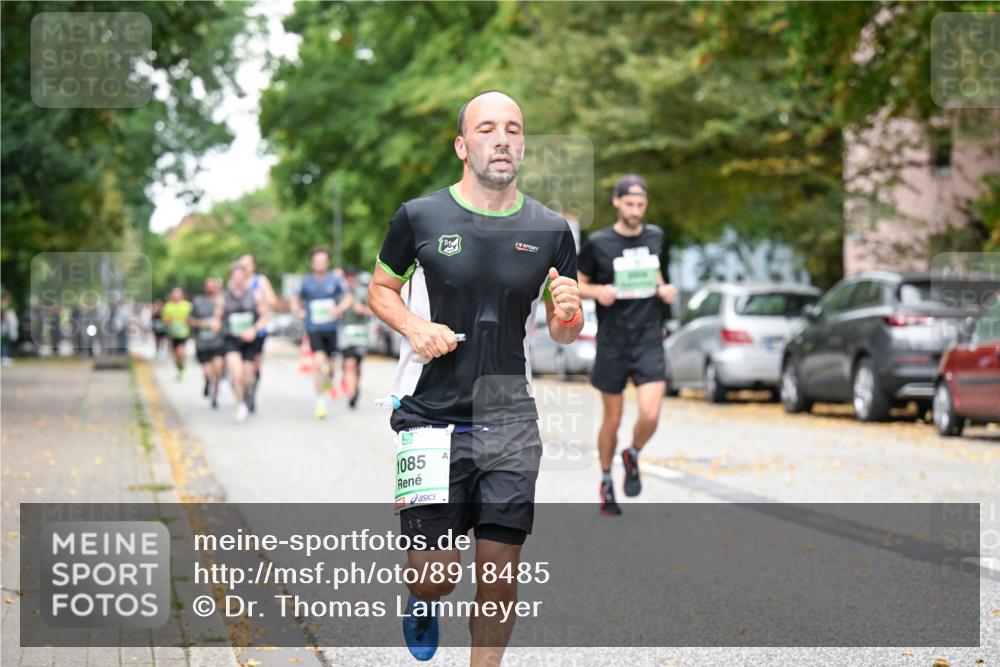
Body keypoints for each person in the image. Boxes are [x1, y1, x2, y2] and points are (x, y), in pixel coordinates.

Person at [368, 90, 582, 665]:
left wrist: (569, 312)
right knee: (436, 576)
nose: (503, 138)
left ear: (524, 144)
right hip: (430, 416)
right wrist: (413, 325)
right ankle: (421, 597)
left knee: (498, 580)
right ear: (464, 145)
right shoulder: (418, 217)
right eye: (487, 128)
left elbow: (563, 332)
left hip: (509, 419)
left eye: (513, 128)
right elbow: (379, 290)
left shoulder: (551, 229)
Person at [577, 175, 677, 516]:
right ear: (617, 202)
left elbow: (655, 272)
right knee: (614, 418)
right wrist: (597, 292)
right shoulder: (599, 242)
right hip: (613, 340)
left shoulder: (656, 236)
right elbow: (577, 283)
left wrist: (666, 289)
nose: (636, 210)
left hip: (649, 336)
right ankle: (606, 481)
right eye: (630, 204)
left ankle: (631, 454)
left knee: (651, 413)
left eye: (641, 204)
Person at [291, 247, 352, 419]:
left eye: (323, 260)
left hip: (331, 328)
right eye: (317, 260)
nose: (320, 263)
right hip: (314, 328)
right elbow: (295, 299)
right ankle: (320, 401)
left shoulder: (335, 279)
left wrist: (339, 308)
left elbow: (348, 297)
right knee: (318, 363)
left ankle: (329, 384)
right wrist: (298, 310)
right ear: (312, 262)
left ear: (327, 262)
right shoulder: (306, 281)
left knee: (331, 368)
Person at [216, 263, 268, 423]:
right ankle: (241, 406)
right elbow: (217, 318)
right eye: (235, 277)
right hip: (231, 339)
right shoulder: (223, 297)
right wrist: (216, 324)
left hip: (249, 340)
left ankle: (248, 393)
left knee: (248, 377)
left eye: (241, 277)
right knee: (237, 375)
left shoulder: (255, 294)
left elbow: (264, 317)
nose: (238, 280)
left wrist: (254, 329)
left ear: (246, 278)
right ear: (231, 278)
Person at [238, 253, 277, 414]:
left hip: (259, 328)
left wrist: (261, 298)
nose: (244, 268)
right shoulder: (236, 281)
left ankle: (252, 392)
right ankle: (245, 390)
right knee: (241, 365)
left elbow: (273, 302)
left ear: (253, 266)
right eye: (242, 265)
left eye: (247, 265)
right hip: (240, 330)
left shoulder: (260, 281)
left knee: (255, 364)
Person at [338, 267, 373, 409]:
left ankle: (355, 387)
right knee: (348, 363)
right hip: (345, 333)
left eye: (353, 276)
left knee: (356, 365)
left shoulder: (363, 293)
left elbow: (376, 311)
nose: (350, 279)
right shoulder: (340, 294)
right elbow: (332, 311)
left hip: (360, 334)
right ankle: (351, 392)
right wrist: (340, 309)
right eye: (348, 277)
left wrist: (363, 310)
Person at [190, 277, 225, 409]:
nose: (211, 288)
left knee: (218, 371)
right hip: (203, 342)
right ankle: (207, 382)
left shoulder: (222, 301)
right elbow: (190, 320)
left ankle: (215, 396)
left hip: (218, 342)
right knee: (207, 372)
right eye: (208, 285)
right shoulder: (198, 301)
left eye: (213, 285)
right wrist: (202, 324)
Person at [161, 288, 193, 380]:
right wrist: (169, 321)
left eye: (178, 294)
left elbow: (192, 318)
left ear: (182, 295)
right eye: (174, 294)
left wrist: (188, 321)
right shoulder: (167, 306)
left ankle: (182, 364)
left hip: (184, 333)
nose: (176, 296)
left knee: (181, 351)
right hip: (173, 334)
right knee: (175, 355)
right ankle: (180, 368)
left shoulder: (187, 305)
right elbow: (164, 320)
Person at [1, 291, 18, 366]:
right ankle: (4, 357)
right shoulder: (3, 305)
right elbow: (4, 316)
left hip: (8, 326)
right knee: (5, 342)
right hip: (4, 326)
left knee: (8, 342)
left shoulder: (6, 305)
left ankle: (7, 357)